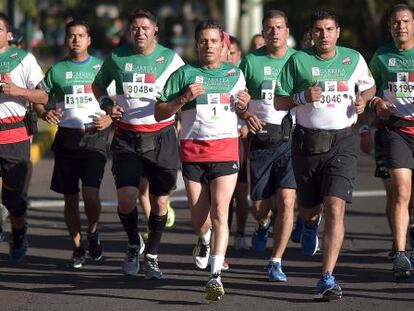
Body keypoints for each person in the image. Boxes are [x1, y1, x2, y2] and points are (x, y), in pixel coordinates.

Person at [275, 9, 375, 300]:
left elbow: (369, 88)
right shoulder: (298, 60)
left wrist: (362, 101)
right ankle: (308, 224)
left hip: (343, 142)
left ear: (338, 32)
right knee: (310, 208)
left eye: (329, 29)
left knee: (335, 205)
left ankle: (327, 277)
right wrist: (302, 97)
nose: (324, 35)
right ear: (311, 34)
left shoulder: (353, 58)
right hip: (307, 144)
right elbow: (279, 101)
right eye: (318, 30)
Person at [155, 20, 250, 301]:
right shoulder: (183, 74)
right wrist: (183, 98)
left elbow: (243, 106)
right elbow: (160, 112)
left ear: (223, 45)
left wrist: (245, 105)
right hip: (193, 150)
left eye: (214, 41)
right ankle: (204, 239)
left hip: (225, 149)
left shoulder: (235, 73)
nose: (209, 45)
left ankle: (215, 275)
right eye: (203, 41)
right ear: (197, 44)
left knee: (221, 212)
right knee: (200, 220)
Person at [92, 9, 184, 279]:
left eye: (145, 27)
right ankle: (134, 243)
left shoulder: (171, 59)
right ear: (129, 31)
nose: (140, 32)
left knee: (160, 202)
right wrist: (108, 105)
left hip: (161, 136)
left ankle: (152, 256)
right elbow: (98, 86)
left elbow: (183, 93)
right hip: (127, 136)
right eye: (135, 28)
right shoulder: (118, 57)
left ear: (155, 30)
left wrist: (177, 114)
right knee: (126, 199)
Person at [35, 20, 112, 268]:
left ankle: (93, 231)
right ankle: (77, 246)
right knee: (70, 197)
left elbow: (118, 99)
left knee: (90, 194)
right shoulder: (57, 70)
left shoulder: (102, 68)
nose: (76, 40)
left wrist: (110, 118)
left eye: (81, 35)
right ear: (66, 40)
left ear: (89, 40)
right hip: (66, 138)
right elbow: (39, 96)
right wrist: (43, 113)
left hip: (94, 137)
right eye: (71, 36)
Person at [239, 9, 296, 281]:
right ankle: (262, 224)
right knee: (259, 205)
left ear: (287, 31)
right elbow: (237, 97)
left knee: (287, 200)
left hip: (292, 138)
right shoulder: (250, 62)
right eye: (269, 28)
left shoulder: (300, 60)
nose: (274, 32)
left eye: (279, 27)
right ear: (263, 33)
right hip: (261, 139)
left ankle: (276, 260)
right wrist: (245, 113)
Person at [369, 3, 414, 279]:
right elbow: (367, 90)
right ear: (390, 27)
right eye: (396, 23)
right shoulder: (381, 56)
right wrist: (377, 103)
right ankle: (400, 254)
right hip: (396, 130)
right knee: (400, 191)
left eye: (406, 21)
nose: (401, 27)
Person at [0, 12, 48, 261]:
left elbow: (43, 96)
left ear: (9, 35)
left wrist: (16, 90)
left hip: (14, 137)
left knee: (13, 198)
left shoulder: (23, 59)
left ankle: (19, 231)